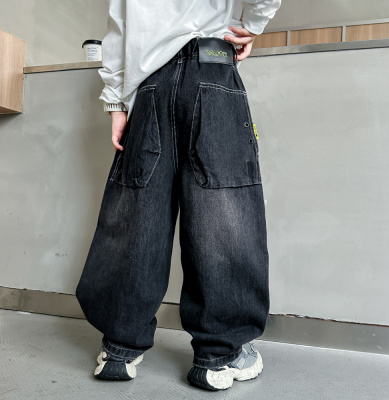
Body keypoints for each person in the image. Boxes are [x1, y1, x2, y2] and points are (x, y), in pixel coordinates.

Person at [75, 0, 281, 391]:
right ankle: (219, 356)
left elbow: (119, 27)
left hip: (150, 86)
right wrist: (252, 25)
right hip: (211, 69)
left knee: (137, 213)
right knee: (222, 211)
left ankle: (119, 349)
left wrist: (116, 102)